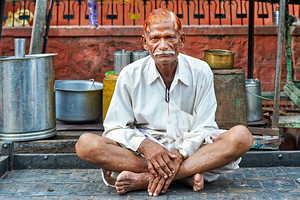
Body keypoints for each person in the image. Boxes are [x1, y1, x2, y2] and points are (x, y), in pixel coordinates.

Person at [75, 8, 253, 197]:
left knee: (241, 136)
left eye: (169, 37)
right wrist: (145, 145)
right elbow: (114, 128)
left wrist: (181, 154)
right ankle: (184, 176)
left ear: (181, 40)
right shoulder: (130, 74)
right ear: (145, 42)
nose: (163, 45)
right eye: (155, 38)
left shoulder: (201, 71)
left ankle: (145, 179)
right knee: (86, 144)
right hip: (143, 154)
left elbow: (205, 126)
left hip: (190, 151)